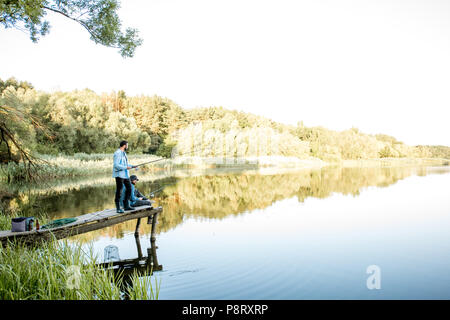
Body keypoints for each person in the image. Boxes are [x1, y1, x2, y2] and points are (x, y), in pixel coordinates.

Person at [112, 140, 136, 213]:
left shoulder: (124, 153)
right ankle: (118, 208)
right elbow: (116, 165)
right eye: (127, 145)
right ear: (124, 145)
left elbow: (126, 164)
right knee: (119, 191)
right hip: (119, 175)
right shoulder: (117, 153)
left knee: (129, 188)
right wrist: (125, 167)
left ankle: (126, 206)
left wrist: (132, 166)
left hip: (126, 175)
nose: (127, 146)